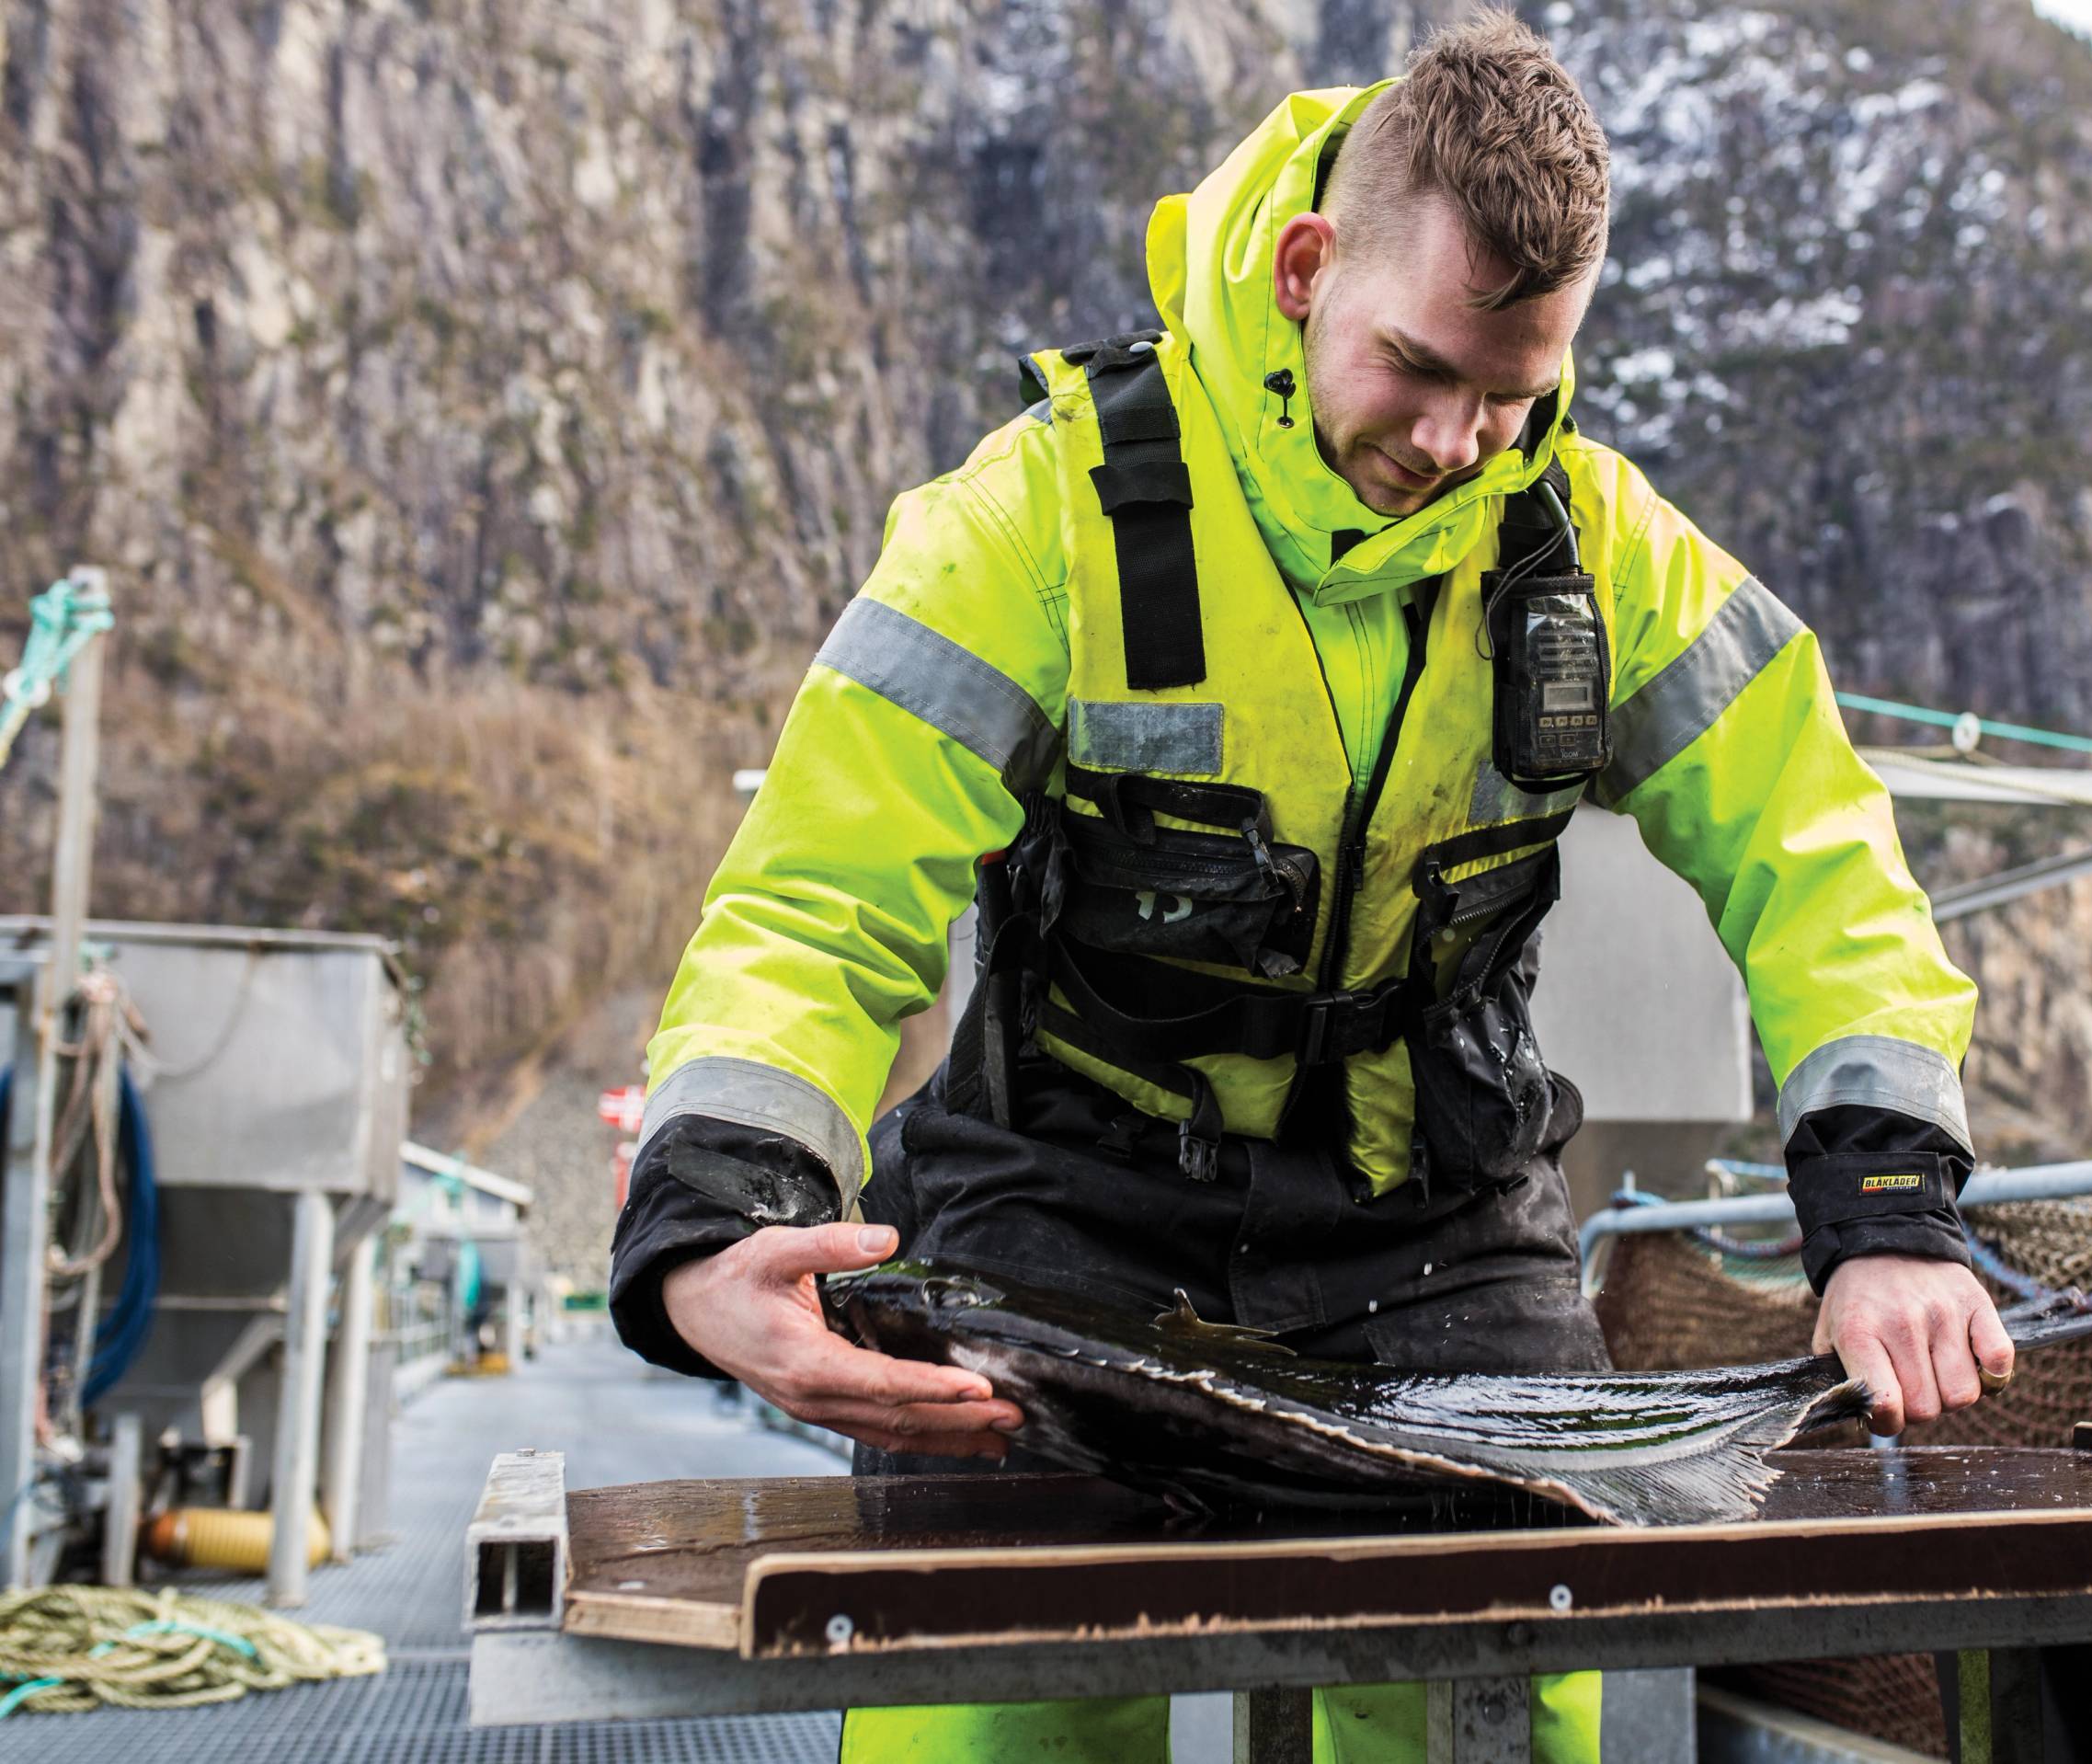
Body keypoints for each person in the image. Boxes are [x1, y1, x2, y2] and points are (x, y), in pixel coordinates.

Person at [608, 13, 2009, 1760]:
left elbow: (1823, 860)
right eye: (1418, 367)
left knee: (1513, 1705)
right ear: (1303, 266)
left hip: (1432, 1230)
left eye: (1514, 393)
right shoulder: (1034, 522)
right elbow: (818, 899)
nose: (1459, 440)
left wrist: (1886, 1212)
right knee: (989, 1696)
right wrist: (719, 1216)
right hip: (1066, 1211)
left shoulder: (1602, 556)